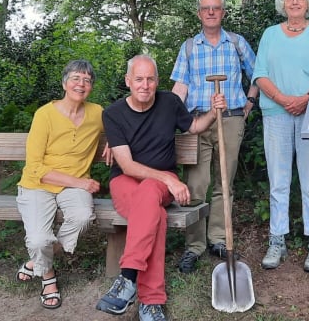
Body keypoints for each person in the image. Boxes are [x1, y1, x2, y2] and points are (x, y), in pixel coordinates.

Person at [95, 55, 226, 321]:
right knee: (155, 215)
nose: (145, 85)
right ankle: (151, 302)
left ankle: (128, 278)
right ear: (128, 81)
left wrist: (214, 111)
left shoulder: (169, 102)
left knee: (149, 195)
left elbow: (195, 126)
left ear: (157, 81)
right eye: (139, 79)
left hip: (159, 184)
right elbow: (128, 166)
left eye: (150, 79)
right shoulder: (113, 114)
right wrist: (170, 180)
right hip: (126, 181)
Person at [252, 0, 309, 273]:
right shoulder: (269, 35)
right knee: (278, 179)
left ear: (308, 1)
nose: (294, 1)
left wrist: (303, 99)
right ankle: (277, 238)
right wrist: (283, 99)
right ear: (282, 3)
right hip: (276, 113)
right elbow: (260, 74)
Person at [170, 0, 259, 274]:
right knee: (196, 185)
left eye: (216, 8)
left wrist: (250, 101)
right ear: (199, 14)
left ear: (223, 13)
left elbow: (258, 74)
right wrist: (172, 117)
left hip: (231, 119)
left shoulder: (236, 43)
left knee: (225, 182)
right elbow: (179, 89)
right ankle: (194, 245)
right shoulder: (188, 47)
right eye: (206, 8)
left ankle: (219, 239)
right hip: (197, 122)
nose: (211, 12)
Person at [15, 59, 104, 309]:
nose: (81, 84)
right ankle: (48, 278)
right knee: (38, 240)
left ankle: (35, 262)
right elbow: (35, 167)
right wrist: (80, 182)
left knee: (83, 216)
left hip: (73, 189)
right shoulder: (45, 114)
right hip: (37, 184)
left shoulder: (97, 113)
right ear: (65, 83)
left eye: (87, 80)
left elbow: (121, 130)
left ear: (91, 88)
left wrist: (115, 148)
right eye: (76, 78)